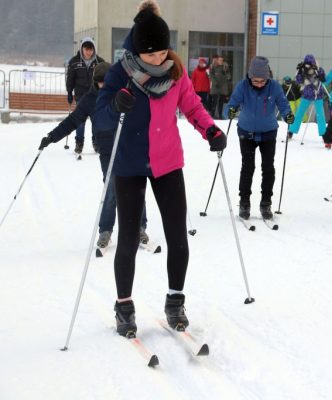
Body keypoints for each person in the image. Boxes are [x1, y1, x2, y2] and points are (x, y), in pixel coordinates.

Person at [94, 0, 227, 338]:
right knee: (127, 238)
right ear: (137, 50)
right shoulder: (120, 74)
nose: (158, 59)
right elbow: (101, 116)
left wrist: (210, 129)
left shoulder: (175, 72)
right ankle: (124, 306)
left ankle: (175, 301)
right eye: (150, 55)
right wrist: (114, 104)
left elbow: (192, 106)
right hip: (130, 165)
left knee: (177, 237)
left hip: (168, 163)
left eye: (162, 52)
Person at [39, 62, 151, 249]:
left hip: (129, 147)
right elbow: (73, 120)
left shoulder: (125, 92)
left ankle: (139, 227)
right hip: (107, 150)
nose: (103, 87)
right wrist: (52, 137)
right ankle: (105, 230)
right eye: (100, 83)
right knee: (112, 188)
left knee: (135, 187)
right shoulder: (91, 99)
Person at [226, 56, 293, 220]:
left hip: (268, 132)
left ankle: (266, 202)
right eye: (255, 81)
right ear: (250, 77)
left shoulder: (274, 87)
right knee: (248, 167)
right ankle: (244, 202)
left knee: (268, 168)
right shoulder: (243, 86)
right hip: (246, 131)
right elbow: (232, 103)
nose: (259, 84)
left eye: (262, 81)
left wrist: (288, 115)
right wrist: (230, 111)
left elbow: (283, 105)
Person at [66, 37, 105, 154]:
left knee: (96, 121)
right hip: (80, 97)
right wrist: (69, 92)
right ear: (82, 49)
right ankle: (79, 143)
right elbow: (70, 79)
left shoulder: (99, 62)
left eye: (91, 49)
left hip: (95, 97)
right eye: (86, 49)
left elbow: (105, 79)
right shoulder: (74, 62)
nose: (88, 52)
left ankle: (96, 143)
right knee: (80, 122)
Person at [287, 54, 326, 140]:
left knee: (320, 115)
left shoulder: (318, 69)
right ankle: (291, 131)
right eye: (306, 63)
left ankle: (324, 134)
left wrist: (320, 74)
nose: (308, 66)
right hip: (306, 95)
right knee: (299, 113)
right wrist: (299, 71)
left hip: (317, 95)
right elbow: (298, 81)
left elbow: (324, 79)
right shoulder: (302, 70)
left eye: (310, 63)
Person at [209, 55, 231, 119]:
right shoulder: (213, 66)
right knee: (214, 101)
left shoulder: (225, 67)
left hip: (223, 87)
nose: (220, 61)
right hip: (215, 87)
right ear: (217, 60)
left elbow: (229, 76)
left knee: (221, 102)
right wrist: (215, 82)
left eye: (222, 60)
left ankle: (220, 115)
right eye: (219, 60)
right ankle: (212, 114)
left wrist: (226, 74)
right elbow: (211, 75)